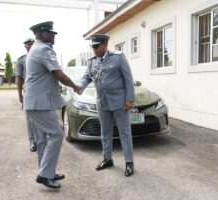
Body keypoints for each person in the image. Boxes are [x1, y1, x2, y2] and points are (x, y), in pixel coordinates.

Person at [23, 21, 81, 189]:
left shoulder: (35, 49)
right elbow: (58, 74)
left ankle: (46, 171)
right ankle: (44, 174)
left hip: (35, 102)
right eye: (51, 33)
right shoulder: (44, 49)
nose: (54, 35)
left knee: (42, 140)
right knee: (56, 135)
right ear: (41, 34)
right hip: (40, 103)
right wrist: (75, 86)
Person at [79, 34, 135, 177]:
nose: (94, 49)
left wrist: (130, 99)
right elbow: (87, 76)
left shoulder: (118, 57)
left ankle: (129, 162)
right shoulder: (92, 61)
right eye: (93, 47)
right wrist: (79, 86)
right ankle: (107, 159)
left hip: (120, 102)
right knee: (105, 133)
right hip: (102, 102)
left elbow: (128, 79)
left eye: (97, 46)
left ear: (105, 45)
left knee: (124, 133)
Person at [16, 37, 37, 152]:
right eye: (29, 44)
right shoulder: (21, 60)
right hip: (28, 92)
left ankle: (41, 140)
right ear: (25, 46)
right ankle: (32, 142)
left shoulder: (40, 57)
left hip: (41, 92)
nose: (31, 46)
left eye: (33, 44)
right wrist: (20, 94)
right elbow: (19, 78)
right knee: (30, 119)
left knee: (41, 118)